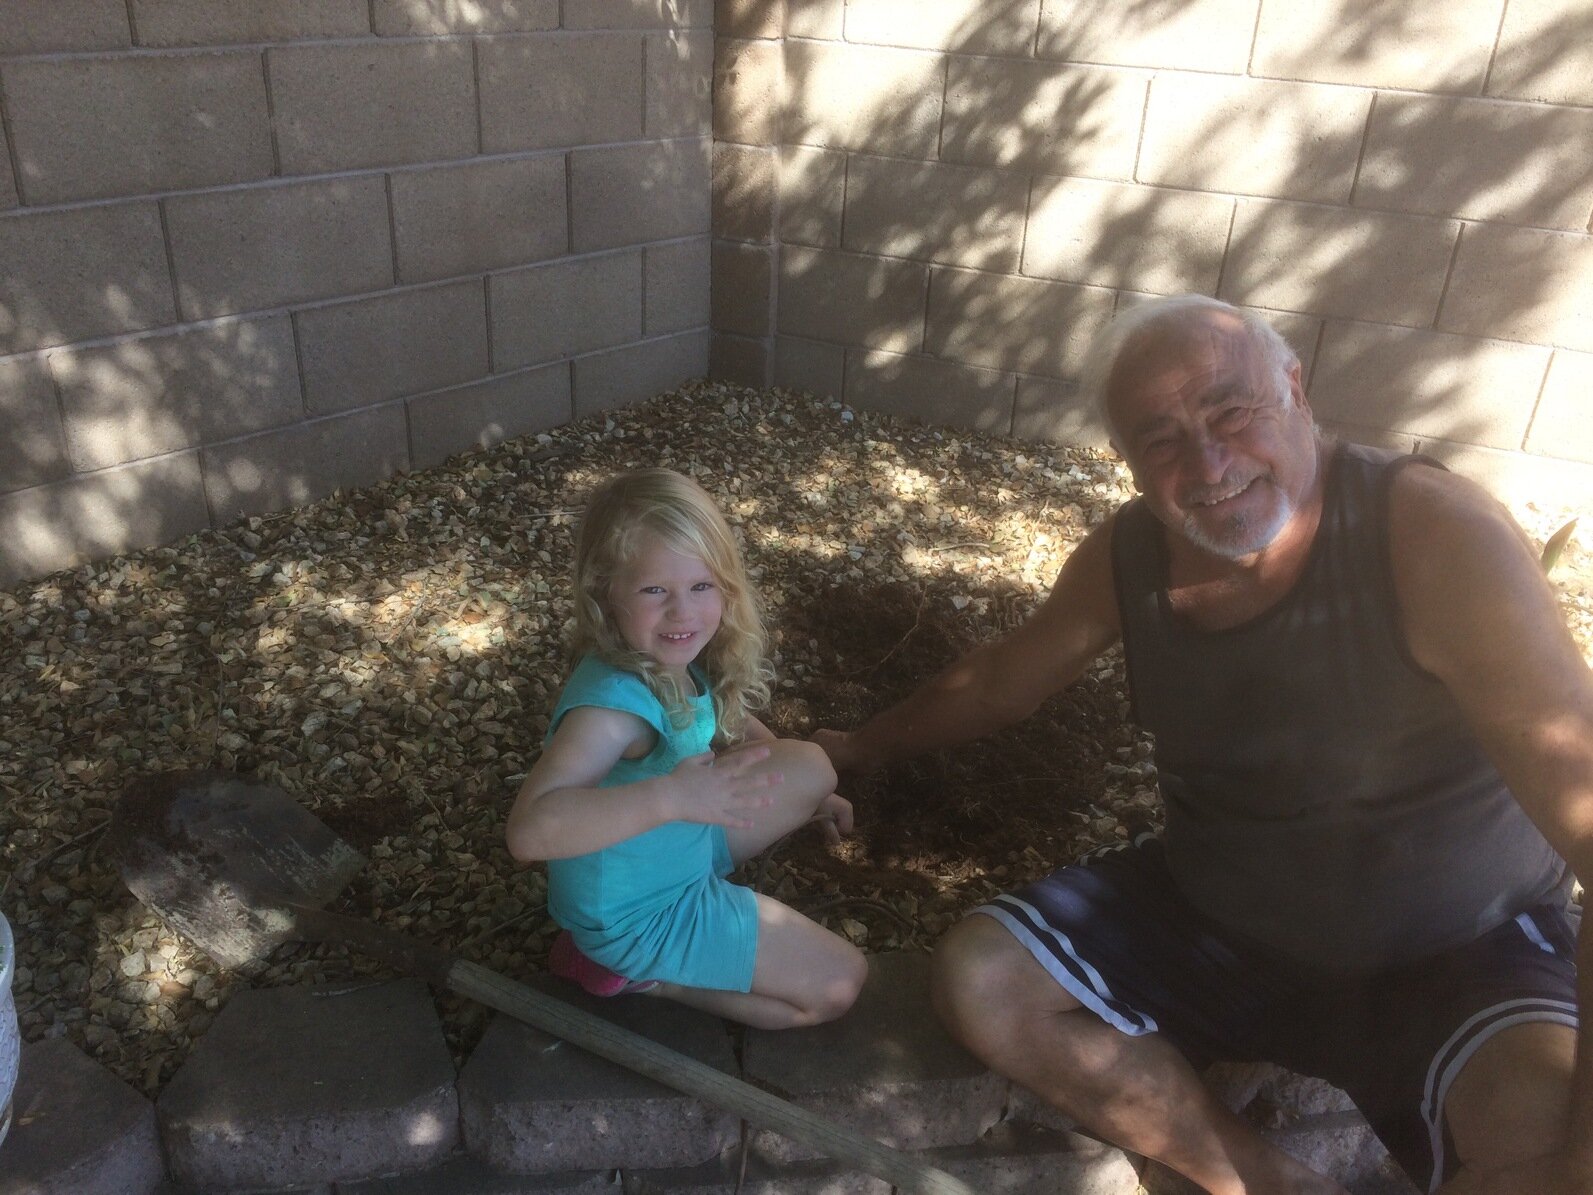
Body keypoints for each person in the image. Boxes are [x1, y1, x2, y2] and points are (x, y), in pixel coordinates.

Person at [815, 295, 1591, 1195]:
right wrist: (846, 749)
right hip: (1221, 916)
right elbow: (996, 684)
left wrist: (1580, 1162)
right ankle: (1269, 1183)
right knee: (984, 980)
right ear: (1125, 461)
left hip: (1460, 945)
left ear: (1295, 389)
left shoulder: (1431, 535)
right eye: (1161, 440)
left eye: (1232, 411)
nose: (1209, 463)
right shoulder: (1129, 558)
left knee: (1547, 1147)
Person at [507, 468, 865, 1029]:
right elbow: (528, 833)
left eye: (701, 587)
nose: (683, 612)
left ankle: (683, 924)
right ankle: (632, 975)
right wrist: (671, 798)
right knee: (838, 986)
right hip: (639, 914)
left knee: (812, 766)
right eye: (655, 590)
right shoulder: (612, 713)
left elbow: (724, 717)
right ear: (604, 592)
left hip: (673, 851)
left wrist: (807, 795)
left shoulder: (667, 657)